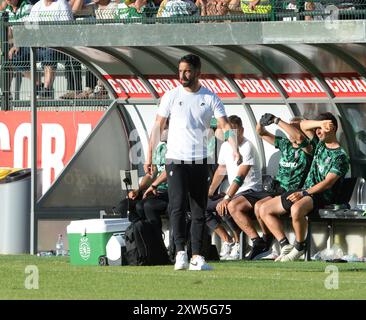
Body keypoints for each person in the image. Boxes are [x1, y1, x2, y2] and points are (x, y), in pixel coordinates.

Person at [144, 54, 240, 271]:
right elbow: (157, 127)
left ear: (198, 72)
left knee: (198, 210)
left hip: (200, 161)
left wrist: (234, 148)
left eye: (187, 71)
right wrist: (149, 156)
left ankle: (197, 256)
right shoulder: (170, 96)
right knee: (176, 206)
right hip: (175, 160)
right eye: (180, 71)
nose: (182, 75)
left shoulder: (210, 97)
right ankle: (180, 253)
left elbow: (225, 126)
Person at [260, 113, 350, 262]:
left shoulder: (340, 156)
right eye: (317, 129)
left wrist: (303, 193)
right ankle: (285, 245)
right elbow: (301, 125)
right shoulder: (319, 145)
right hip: (306, 192)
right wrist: (320, 124)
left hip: (323, 195)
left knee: (296, 209)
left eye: (321, 129)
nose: (318, 132)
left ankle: (299, 247)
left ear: (332, 128)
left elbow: (328, 183)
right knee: (264, 209)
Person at [227, 114, 314, 260]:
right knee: (252, 206)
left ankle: (281, 244)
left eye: (294, 127)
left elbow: (299, 138)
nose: (291, 129)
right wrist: (261, 123)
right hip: (276, 188)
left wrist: (277, 121)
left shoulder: (308, 147)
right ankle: (274, 244)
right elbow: (261, 133)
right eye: (290, 126)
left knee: (262, 207)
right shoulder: (285, 143)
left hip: (293, 191)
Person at [206, 115, 262, 260]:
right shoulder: (225, 146)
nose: (232, 135)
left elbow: (240, 176)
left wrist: (227, 197)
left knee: (227, 205)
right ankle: (228, 240)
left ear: (242, 130)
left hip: (251, 191)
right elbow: (221, 169)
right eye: (229, 132)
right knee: (202, 205)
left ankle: (243, 242)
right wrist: (210, 191)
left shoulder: (247, 146)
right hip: (234, 193)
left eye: (235, 131)